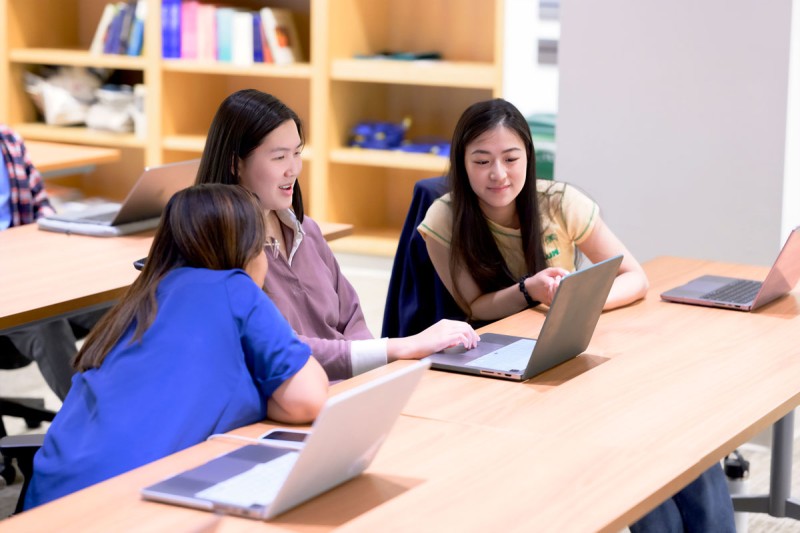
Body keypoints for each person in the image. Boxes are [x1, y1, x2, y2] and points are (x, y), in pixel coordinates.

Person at [419, 98, 733, 532]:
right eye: (481, 160)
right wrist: (530, 290)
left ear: (529, 156)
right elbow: (476, 308)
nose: (498, 174)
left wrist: (577, 302)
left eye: (511, 158)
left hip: (572, 349)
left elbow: (634, 277)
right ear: (461, 163)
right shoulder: (443, 218)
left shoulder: (560, 202)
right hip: (506, 372)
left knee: (682, 440)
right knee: (633, 463)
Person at [24, 184, 328, 509]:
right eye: (263, 247)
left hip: (48, 502)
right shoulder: (233, 287)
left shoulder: (138, 300)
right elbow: (308, 399)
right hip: (127, 506)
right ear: (248, 252)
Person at [195, 89, 479, 382]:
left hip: (345, 390)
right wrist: (400, 347)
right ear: (234, 163)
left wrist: (371, 376)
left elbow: (351, 318)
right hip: (293, 400)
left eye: (296, 153)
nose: (292, 169)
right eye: (279, 157)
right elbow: (283, 348)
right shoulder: (226, 252)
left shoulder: (308, 231)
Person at [0, 124, 102, 400]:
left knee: (119, 306)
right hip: (8, 290)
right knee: (47, 321)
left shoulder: (8, 140)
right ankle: (87, 425)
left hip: (29, 267)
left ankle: (140, 408)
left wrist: (54, 242)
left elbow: (41, 206)